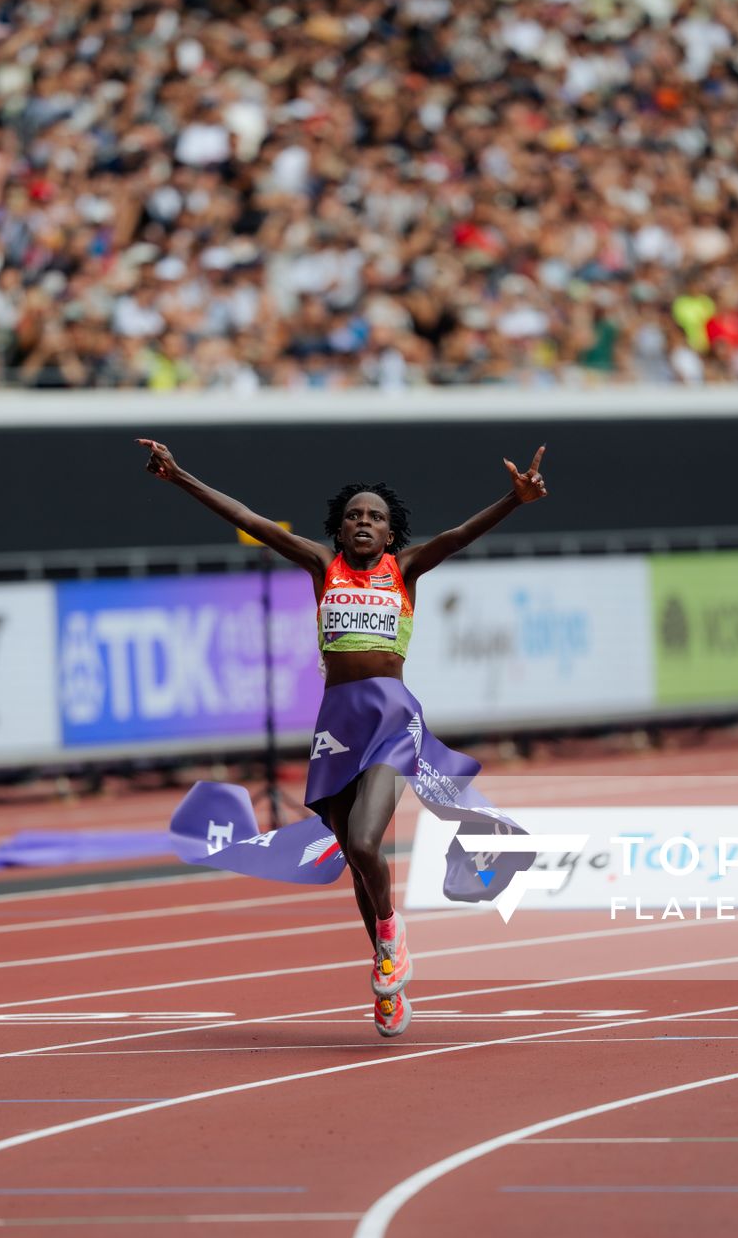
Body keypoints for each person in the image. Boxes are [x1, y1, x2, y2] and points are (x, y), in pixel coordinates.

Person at [138, 438, 548, 1036]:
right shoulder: (319, 566)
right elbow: (248, 518)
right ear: (339, 528)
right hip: (336, 724)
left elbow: (459, 534)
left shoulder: (405, 570)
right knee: (359, 863)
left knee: (362, 842)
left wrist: (512, 501)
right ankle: (385, 956)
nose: (363, 522)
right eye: (354, 515)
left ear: (390, 535)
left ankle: (390, 934)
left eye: (375, 517)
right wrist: (179, 477)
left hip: (391, 718)